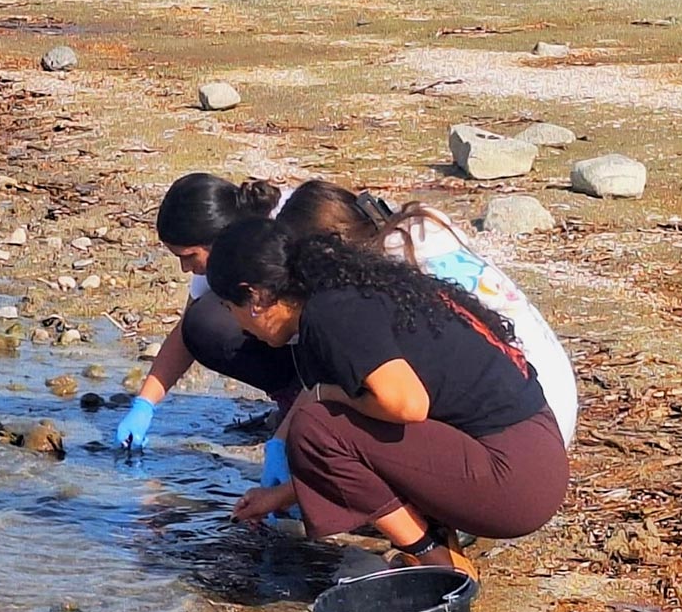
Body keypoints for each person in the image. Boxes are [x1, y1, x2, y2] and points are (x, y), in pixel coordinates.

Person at [205, 219, 570, 577]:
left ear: (254, 296)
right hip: (536, 454)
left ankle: (436, 560)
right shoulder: (351, 291)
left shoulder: (331, 314)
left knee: (316, 425)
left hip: (513, 484)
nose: (237, 324)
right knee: (343, 416)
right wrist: (281, 495)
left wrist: (326, 394)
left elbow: (406, 405)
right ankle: (439, 540)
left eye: (229, 307)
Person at [275, 181, 578, 448]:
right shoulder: (420, 231)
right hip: (549, 401)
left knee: (367, 403)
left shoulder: (381, 277)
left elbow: (401, 398)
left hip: (515, 421)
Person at [115, 173, 299, 456]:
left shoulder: (291, 227)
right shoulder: (224, 252)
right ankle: (293, 399)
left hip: (335, 333)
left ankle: (310, 403)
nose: (184, 269)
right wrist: (144, 404)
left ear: (218, 238)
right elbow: (186, 333)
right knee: (203, 323)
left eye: (188, 256)